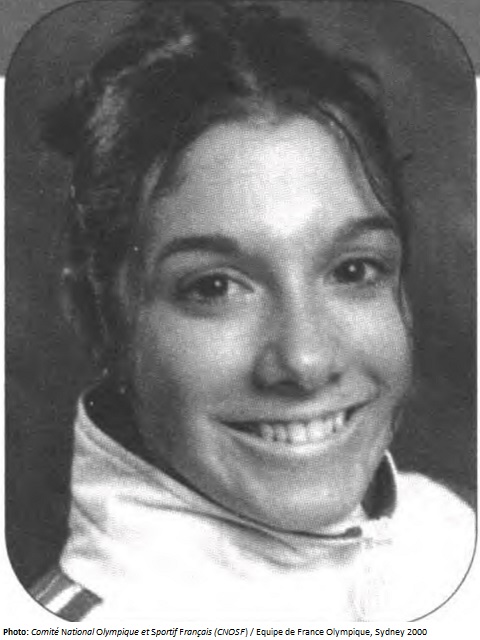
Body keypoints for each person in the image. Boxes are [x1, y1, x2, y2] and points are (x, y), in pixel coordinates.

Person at [28, 0, 474, 622]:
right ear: (97, 317)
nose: (306, 361)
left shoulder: (450, 536)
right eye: (215, 286)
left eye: (353, 270)